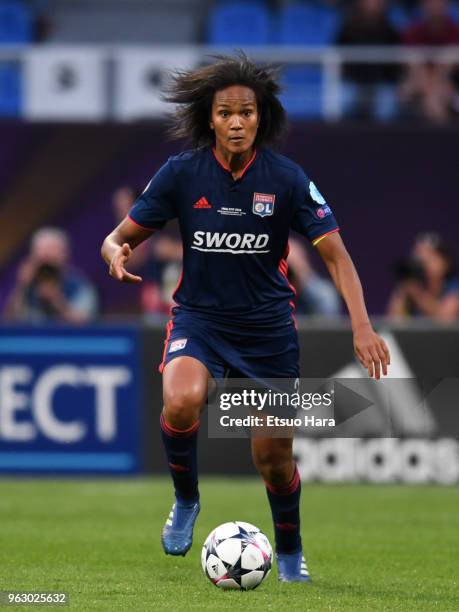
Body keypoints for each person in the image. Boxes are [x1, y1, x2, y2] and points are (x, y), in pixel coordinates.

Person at [101, 53, 390, 583]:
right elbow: (118, 236)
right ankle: (186, 499)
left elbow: (337, 257)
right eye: (226, 113)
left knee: (273, 459)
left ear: (262, 118)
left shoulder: (286, 179)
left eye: (247, 112)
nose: (237, 122)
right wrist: (115, 252)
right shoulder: (182, 173)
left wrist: (363, 325)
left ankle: (290, 555)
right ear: (209, 119)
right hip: (200, 323)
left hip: (268, 335)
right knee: (182, 400)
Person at [5, 227, 98, 323]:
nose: (48, 263)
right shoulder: (28, 286)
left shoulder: (79, 287)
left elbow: (85, 325)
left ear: (64, 256)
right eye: (43, 255)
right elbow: (10, 320)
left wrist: (57, 300)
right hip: (32, 337)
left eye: (52, 255)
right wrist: (22, 286)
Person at [336, 0, 401, 120]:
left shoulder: (391, 32)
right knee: (342, 98)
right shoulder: (348, 30)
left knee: (387, 104)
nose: (372, 4)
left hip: (381, 85)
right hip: (354, 83)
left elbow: (394, 67)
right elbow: (338, 59)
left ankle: (383, 137)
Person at [400, 0, 459, 122]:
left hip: (448, 84)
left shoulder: (456, 31)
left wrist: (435, 88)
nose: (435, 7)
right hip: (419, 81)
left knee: (439, 96)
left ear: (447, 6)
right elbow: (414, 64)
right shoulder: (413, 31)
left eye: (439, 3)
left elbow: (450, 64)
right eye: (431, 3)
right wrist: (432, 88)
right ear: (423, 5)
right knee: (406, 91)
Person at [387, 232, 459, 321]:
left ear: (446, 262)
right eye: (419, 255)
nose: (424, 261)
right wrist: (403, 289)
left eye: (431, 256)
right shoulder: (412, 285)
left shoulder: (455, 286)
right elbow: (394, 322)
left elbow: (445, 318)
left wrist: (417, 294)